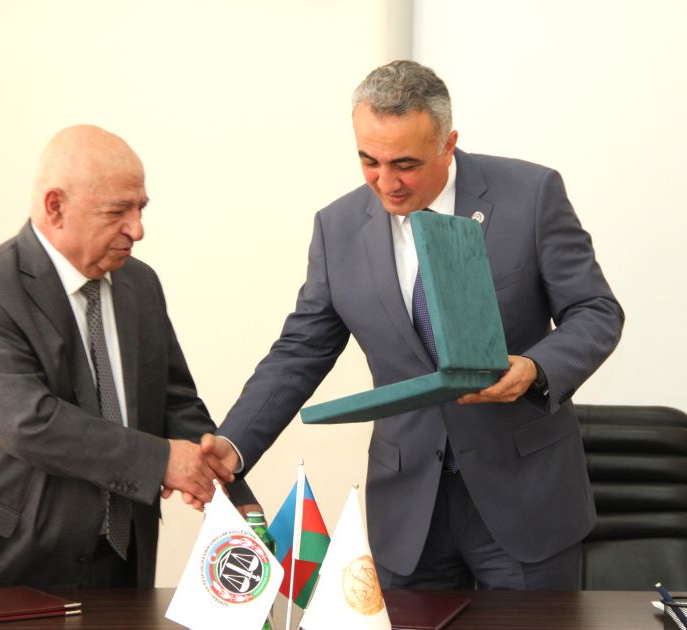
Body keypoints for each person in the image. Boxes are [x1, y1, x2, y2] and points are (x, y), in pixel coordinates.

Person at [202, 60, 624, 590]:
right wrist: (234, 444)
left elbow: (596, 311)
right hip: (409, 512)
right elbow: (300, 351)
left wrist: (536, 369)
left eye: (405, 164)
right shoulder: (337, 228)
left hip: (525, 503)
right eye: (369, 161)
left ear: (448, 144)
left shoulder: (531, 194)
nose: (387, 182)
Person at [0, 125, 256, 591]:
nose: (137, 229)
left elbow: (173, 401)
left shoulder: (141, 285)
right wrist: (161, 461)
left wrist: (233, 493)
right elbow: (29, 422)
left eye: (141, 208)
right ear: (55, 207)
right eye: (117, 211)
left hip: (117, 561)